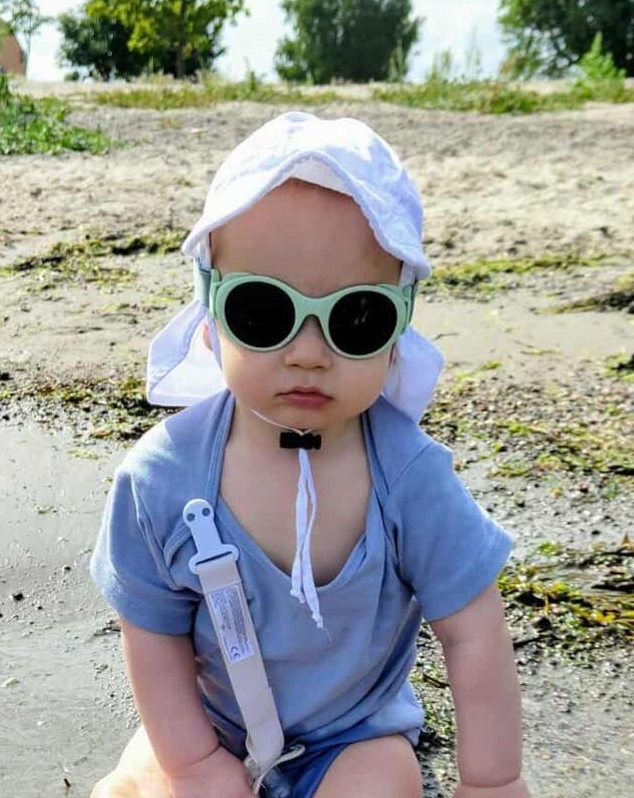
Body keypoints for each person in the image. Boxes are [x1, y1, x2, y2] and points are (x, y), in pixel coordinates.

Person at [90, 112, 530, 798]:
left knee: (383, 783)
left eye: (357, 318)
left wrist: (493, 781)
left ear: (397, 333)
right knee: (140, 783)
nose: (307, 352)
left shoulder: (409, 476)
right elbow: (151, 634)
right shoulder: (163, 477)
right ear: (209, 318)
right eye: (263, 311)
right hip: (209, 726)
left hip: (352, 734)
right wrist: (194, 762)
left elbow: (473, 632)